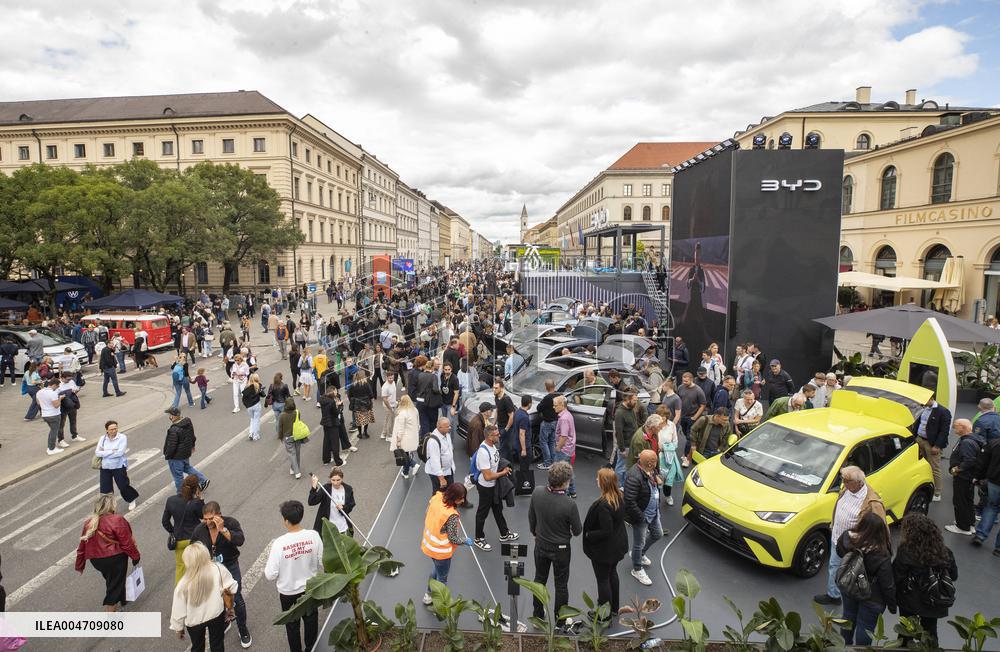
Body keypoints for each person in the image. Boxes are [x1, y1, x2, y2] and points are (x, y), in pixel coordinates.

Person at [814, 466, 886, 605]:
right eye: (843, 480)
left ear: (858, 482)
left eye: (847, 481)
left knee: (853, 572)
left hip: (853, 545)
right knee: (834, 567)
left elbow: (880, 528)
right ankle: (833, 595)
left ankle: (853, 600)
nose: (844, 483)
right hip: (837, 539)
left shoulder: (872, 502)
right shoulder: (847, 489)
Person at [189, 501, 252, 648]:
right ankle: (224, 621)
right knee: (217, 599)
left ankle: (243, 629)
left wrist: (223, 529)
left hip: (230, 567)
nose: (208, 522)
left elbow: (240, 540)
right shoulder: (200, 529)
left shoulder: (231, 523)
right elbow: (193, 548)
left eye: (211, 518)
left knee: (236, 599)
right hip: (210, 570)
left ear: (219, 515)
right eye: (205, 519)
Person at [528, 461, 582, 629]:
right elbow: (577, 531)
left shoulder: (537, 492)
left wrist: (536, 534)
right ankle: (560, 621)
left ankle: (538, 616)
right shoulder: (569, 504)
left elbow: (531, 518)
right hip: (561, 550)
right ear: (565, 482)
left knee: (539, 580)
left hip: (541, 545)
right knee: (561, 585)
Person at [265, 501, 323, 652]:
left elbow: (270, 574)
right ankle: (311, 648)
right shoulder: (314, 536)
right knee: (311, 621)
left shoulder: (279, 543)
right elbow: (322, 560)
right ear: (301, 516)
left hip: (288, 593)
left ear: (286, 520)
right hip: (310, 589)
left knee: (292, 626)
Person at [893, 513, 958, 645]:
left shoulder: (905, 551)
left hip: (909, 602)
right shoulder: (945, 552)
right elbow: (954, 576)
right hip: (934, 601)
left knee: (905, 632)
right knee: (930, 632)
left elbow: (896, 577)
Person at [836, 511, 897, 646]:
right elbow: (887, 584)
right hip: (872, 596)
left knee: (848, 617)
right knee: (865, 627)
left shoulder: (847, 537)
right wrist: (892, 605)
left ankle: (844, 646)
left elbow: (839, 552)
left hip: (849, 586)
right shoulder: (881, 554)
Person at [74, 494, 141, 612]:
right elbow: (127, 543)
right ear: (111, 506)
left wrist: (80, 565)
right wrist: (135, 557)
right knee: (114, 585)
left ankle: (123, 598)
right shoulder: (117, 519)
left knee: (114, 579)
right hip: (115, 558)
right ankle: (110, 615)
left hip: (97, 561)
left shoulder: (89, 522)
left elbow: (82, 546)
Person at [169, 541, 238, 652]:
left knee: (197, 647)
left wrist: (179, 628)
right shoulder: (217, 568)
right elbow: (232, 586)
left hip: (194, 621)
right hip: (216, 614)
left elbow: (178, 610)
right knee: (217, 644)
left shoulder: (183, 584)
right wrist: (229, 605)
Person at [583, 467, 628, 617]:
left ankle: (604, 615)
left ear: (603, 483)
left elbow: (606, 530)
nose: (596, 480)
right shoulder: (619, 497)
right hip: (617, 546)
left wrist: (589, 534)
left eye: (598, 478)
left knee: (602, 580)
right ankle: (614, 608)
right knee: (612, 573)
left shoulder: (603, 505)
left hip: (605, 550)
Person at [420, 483, 473, 605]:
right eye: (461, 498)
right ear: (454, 497)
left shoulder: (437, 497)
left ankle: (428, 595)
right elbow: (453, 538)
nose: (463, 500)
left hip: (429, 546)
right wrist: (465, 540)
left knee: (436, 570)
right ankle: (440, 604)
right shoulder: (451, 515)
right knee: (442, 579)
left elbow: (427, 512)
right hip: (441, 552)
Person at [472, 424, 518, 551]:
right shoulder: (483, 452)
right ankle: (478, 538)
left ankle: (504, 533)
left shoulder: (492, 446)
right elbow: (487, 476)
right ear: (490, 437)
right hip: (486, 487)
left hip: (494, 485)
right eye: (497, 434)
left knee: (498, 510)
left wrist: (504, 467)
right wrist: (503, 473)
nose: (499, 435)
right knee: (482, 513)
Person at [623, 449, 663, 586]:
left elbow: (656, 479)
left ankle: (639, 554)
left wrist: (658, 478)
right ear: (650, 463)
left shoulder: (650, 469)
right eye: (655, 460)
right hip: (642, 516)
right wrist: (641, 518)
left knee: (658, 534)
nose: (657, 462)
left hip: (654, 511)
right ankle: (637, 569)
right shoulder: (634, 477)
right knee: (638, 544)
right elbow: (629, 501)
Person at [162, 475, 205, 584]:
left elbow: (165, 521)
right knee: (198, 567)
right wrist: (200, 499)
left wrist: (173, 531)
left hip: (179, 540)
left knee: (180, 567)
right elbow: (203, 516)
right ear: (196, 489)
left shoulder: (171, 500)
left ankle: (179, 591)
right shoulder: (196, 503)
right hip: (195, 539)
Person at [945, 418, 983, 535]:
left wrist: (956, 469)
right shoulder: (973, 439)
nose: (953, 428)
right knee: (968, 500)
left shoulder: (967, 443)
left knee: (959, 501)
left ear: (963, 427)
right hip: (969, 477)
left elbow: (969, 461)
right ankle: (969, 523)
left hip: (963, 477)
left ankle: (962, 527)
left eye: (956, 426)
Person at [95, 420, 139, 510]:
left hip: (118, 466)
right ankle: (108, 507)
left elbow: (120, 453)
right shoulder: (102, 438)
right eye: (111, 429)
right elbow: (98, 453)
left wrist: (105, 452)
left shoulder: (122, 437)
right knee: (105, 489)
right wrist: (112, 451)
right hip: (105, 467)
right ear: (107, 430)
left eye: (115, 428)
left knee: (123, 486)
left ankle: (131, 499)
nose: (114, 431)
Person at [164, 407, 210, 492]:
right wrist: (192, 446)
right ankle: (203, 480)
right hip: (185, 453)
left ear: (173, 416)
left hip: (175, 458)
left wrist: (167, 455)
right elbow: (192, 436)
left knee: (178, 476)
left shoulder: (173, 430)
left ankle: (181, 494)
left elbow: (171, 447)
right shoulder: (187, 422)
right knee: (187, 468)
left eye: (169, 415)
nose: (169, 417)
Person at [973, 430, 1000, 550]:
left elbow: (982, 463)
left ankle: (980, 535)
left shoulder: (995, 443)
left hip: (995, 481)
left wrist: (978, 477)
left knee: (992, 507)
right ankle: (998, 548)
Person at [309, 467, 356, 534]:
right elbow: (311, 501)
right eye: (333, 480)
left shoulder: (348, 489)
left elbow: (351, 505)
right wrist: (314, 486)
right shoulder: (326, 488)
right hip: (328, 527)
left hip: (342, 526)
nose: (335, 483)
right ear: (330, 479)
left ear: (342, 478)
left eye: (338, 480)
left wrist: (343, 507)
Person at [676, 372, 706, 467]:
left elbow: (702, 405)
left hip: (692, 417)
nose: (684, 382)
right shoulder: (680, 387)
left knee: (689, 437)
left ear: (691, 380)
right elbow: (678, 401)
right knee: (686, 435)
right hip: (682, 417)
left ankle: (686, 456)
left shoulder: (698, 390)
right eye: (683, 380)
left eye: (686, 381)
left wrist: (694, 417)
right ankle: (692, 448)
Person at [614, 392, 643, 486]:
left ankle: (625, 486)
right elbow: (619, 433)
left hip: (632, 445)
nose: (636, 402)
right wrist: (622, 449)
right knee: (620, 468)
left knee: (628, 467)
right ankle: (618, 487)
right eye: (634, 400)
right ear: (627, 399)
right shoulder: (620, 413)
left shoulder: (631, 409)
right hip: (625, 446)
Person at [656, 407, 683, 506]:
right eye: (660, 415)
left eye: (664, 415)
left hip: (669, 457)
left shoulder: (672, 425)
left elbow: (675, 442)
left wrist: (664, 448)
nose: (662, 417)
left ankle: (668, 496)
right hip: (656, 456)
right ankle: (656, 498)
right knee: (657, 478)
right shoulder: (654, 425)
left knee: (669, 479)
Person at [424, 417, 456, 495]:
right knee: (438, 495)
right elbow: (434, 461)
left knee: (450, 492)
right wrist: (441, 479)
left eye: (449, 425)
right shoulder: (433, 441)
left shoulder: (446, 435)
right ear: (439, 427)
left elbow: (449, 451)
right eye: (447, 426)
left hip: (448, 470)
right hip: (438, 474)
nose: (450, 428)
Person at [553, 395, 578, 498]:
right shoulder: (568, 414)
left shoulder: (563, 418)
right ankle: (572, 491)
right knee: (568, 471)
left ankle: (565, 495)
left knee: (561, 473)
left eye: (555, 405)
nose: (553, 407)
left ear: (562, 405)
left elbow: (564, 436)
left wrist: (558, 447)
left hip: (564, 450)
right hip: (570, 449)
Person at [391, 394, 420, 478]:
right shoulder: (415, 410)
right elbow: (418, 424)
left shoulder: (402, 413)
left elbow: (400, 429)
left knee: (404, 455)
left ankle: (413, 464)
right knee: (406, 454)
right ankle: (405, 472)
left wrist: (398, 440)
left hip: (405, 438)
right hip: (413, 436)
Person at [318, 387, 345, 467]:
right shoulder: (332, 402)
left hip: (325, 422)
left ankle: (326, 459)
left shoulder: (322, 399)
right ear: (332, 392)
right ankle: (338, 461)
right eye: (335, 391)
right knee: (335, 443)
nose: (337, 392)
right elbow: (336, 413)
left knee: (326, 441)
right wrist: (339, 406)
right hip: (333, 423)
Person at [278, 398, 304, 479]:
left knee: (292, 454)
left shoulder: (282, 415)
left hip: (288, 437)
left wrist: (280, 436)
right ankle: (293, 468)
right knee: (297, 453)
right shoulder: (297, 412)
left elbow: (280, 428)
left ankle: (297, 472)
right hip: (297, 435)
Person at [536, 379, 559, 470]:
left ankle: (547, 463)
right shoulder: (559, 395)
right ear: (554, 385)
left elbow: (538, 408)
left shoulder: (547, 398)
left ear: (546, 387)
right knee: (552, 442)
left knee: (543, 442)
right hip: (556, 421)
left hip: (547, 422)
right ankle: (553, 461)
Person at [37, 377, 64, 455]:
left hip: (45, 414)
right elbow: (56, 405)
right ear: (54, 385)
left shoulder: (39, 392)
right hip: (53, 415)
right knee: (54, 432)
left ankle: (50, 447)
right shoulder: (53, 393)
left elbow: (38, 403)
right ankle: (51, 449)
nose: (57, 388)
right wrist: (60, 399)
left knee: (52, 430)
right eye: (57, 386)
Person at [348, 369, 375, 439]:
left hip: (357, 404)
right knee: (366, 419)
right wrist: (371, 402)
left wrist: (353, 401)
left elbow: (349, 395)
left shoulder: (353, 385)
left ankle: (359, 434)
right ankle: (365, 432)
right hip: (366, 404)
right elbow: (371, 395)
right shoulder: (366, 384)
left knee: (358, 420)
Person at [493, 380, 516, 460]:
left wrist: (506, 429)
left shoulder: (506, 400)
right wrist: (493, 424)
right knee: (502, 446)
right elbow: (497, 410)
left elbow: (511, 416)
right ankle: (503, 462)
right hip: (500, 426)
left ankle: (508, 464)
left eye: (496, 388)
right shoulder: (496, 397)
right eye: (493, 388)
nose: (494, 390)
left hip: (507, 428)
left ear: (502, 388)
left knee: (508, 447)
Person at [242, 373, 265, 442]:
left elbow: (243, 398)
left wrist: (246, 405)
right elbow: (263, 395)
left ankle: (250, 433)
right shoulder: (258, 385)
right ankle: (255, 435)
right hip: (256, 405)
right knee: (256, 420)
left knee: (252, 419)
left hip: (249, 406)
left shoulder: (246, 387)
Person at [379, 371, 399, 440]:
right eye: (390, 378)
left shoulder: (393, 383)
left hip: (393, 404)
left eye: (392, 378)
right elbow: (385, 399)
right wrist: (390, 408)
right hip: (388, 406)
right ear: (387, 378)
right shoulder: (385, 387)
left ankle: (384, 434)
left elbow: (393, 394)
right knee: (390, 421)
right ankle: (389, 436)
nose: (391, 379)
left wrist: (396, 402)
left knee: (387, 420)